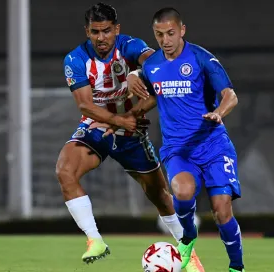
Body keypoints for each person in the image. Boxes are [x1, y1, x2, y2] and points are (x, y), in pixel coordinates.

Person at [93, 7, 245, 272]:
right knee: (183, 192)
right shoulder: (152, 66)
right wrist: (120, 118)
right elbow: (152, 96)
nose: (165, 40)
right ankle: (188, 236)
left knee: (222, 212)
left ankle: (236, 267)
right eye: (159, 34)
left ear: (182, 30)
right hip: (178, 149)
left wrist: (219, 113)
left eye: (170, 33)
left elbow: (230, 95)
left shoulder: (201, 59)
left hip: (213, 146)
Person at [56, 3, 204, 271]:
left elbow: (160, 65)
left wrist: (138, 74)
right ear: (87, 32)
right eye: (95, 32)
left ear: (117, 29)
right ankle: (95, 240)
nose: (101, 38)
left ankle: (189, 255)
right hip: (96, 127)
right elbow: (86, 106)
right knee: (65, 171)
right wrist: (119, 120)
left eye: (106, 31)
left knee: (159, 194)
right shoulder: (75, 60)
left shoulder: (130, 46)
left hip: (131, 132)